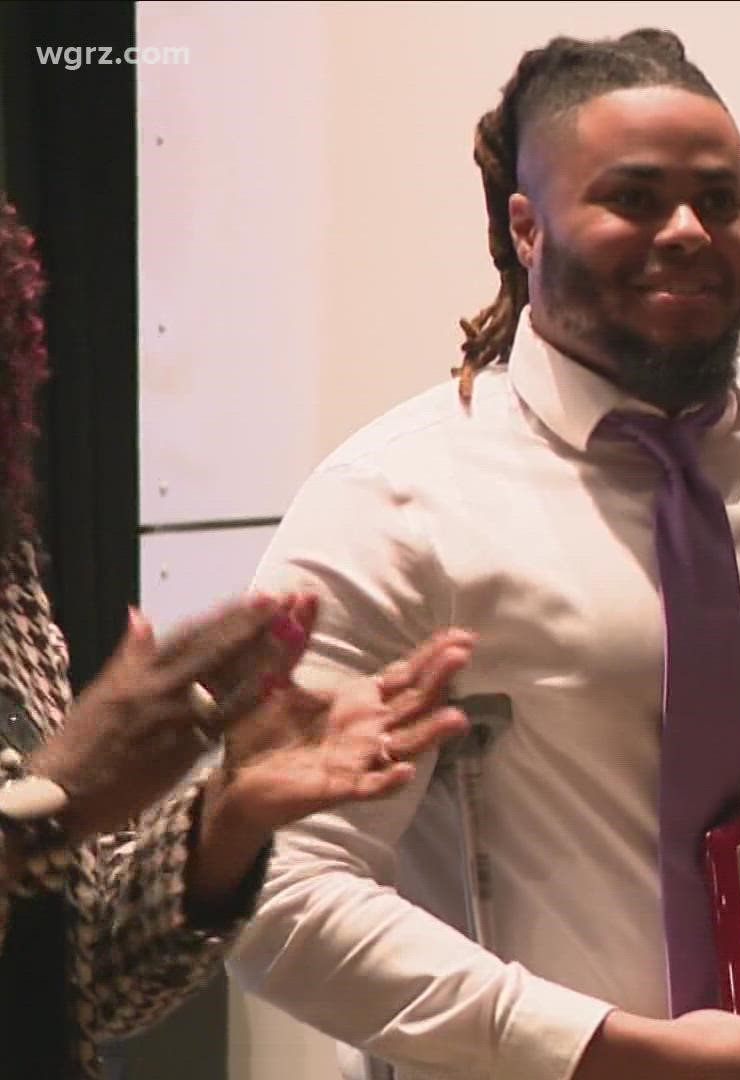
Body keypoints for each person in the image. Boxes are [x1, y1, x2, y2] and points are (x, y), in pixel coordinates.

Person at [227, 27, 740, 1080]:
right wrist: (599, 1050)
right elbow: (279, 893)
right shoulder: (390, 508)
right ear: (525, 229)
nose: (686, 231)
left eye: (719, 200)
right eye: (632, 199)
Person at [0, 193, 476, 1079]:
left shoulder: (8, 584)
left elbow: (93, 983)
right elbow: (39, 820)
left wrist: (230, 810)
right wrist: (49, 800)